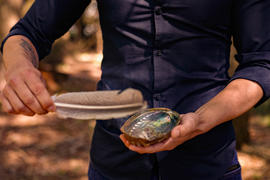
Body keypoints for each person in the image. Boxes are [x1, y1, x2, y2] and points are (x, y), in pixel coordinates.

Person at [1, 0, 270, 179]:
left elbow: (262, 63)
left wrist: (200, 121)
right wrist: (18, 66)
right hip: (113, 162)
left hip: (207, 162)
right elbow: (28, 32)